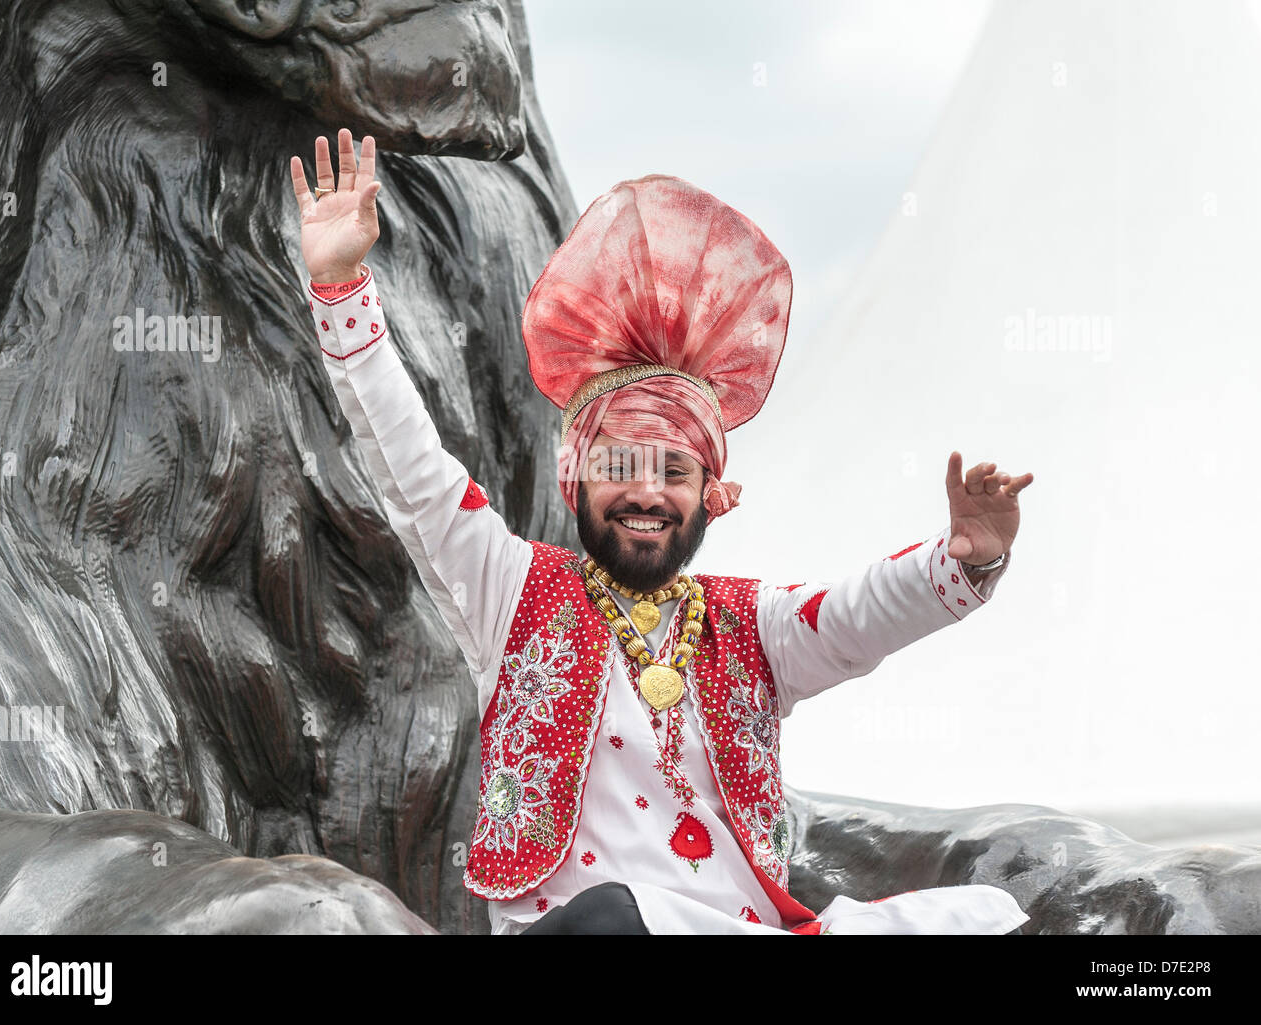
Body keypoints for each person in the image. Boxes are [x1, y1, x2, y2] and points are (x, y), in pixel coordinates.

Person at [289, 129, 1035, 935]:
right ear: (575, 479)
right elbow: (413, 474)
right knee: (615, 915)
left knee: (984, 911)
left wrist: (963, 560)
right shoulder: (510, 592)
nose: (647, 492)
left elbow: (858, 614)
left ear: (712, 494)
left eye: (674, 472)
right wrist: (340, 286)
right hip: (587, 934)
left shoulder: (755, 628)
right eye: (622, 466)